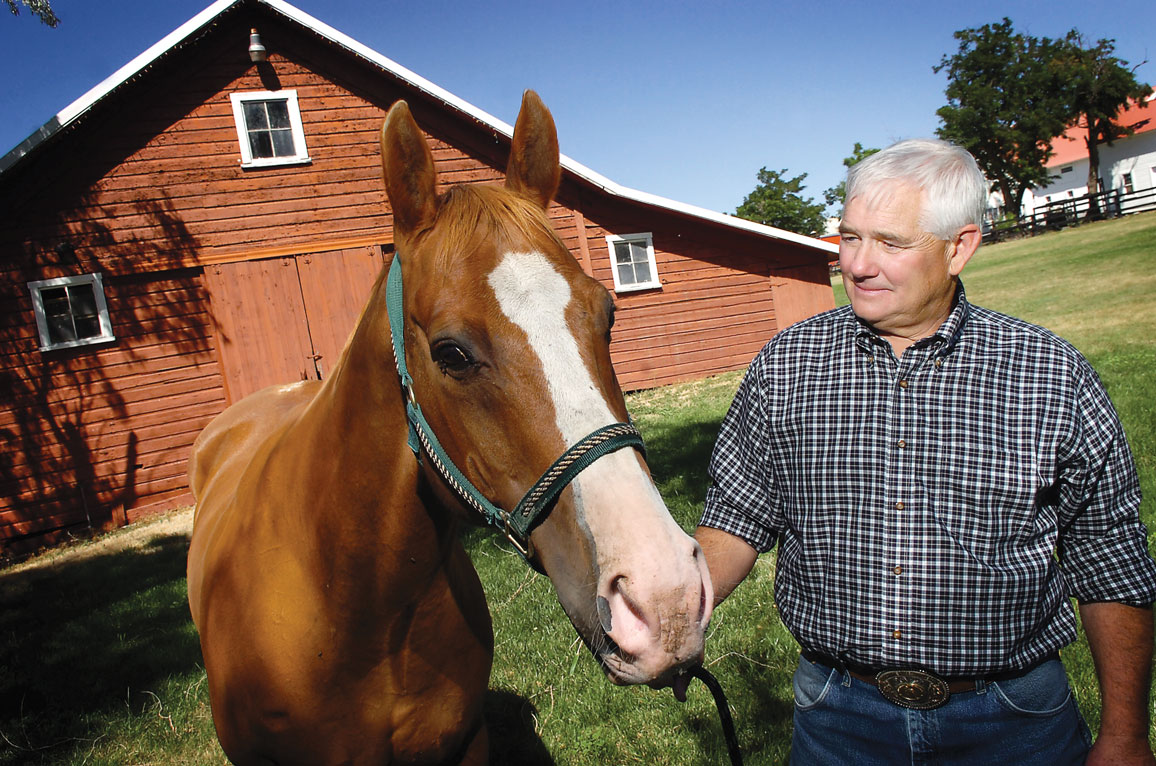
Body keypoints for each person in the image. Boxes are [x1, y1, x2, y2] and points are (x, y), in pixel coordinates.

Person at [696, 138, 1156, 765]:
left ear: (959, 247)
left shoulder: (1051, 374)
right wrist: (668, 615)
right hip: (837, 717)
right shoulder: (787, 365)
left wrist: (1126, 734)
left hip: (1014, 722)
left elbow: (1109, 557)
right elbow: (735, 519)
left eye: (890, 242)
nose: (857, 264)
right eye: (849, 237)